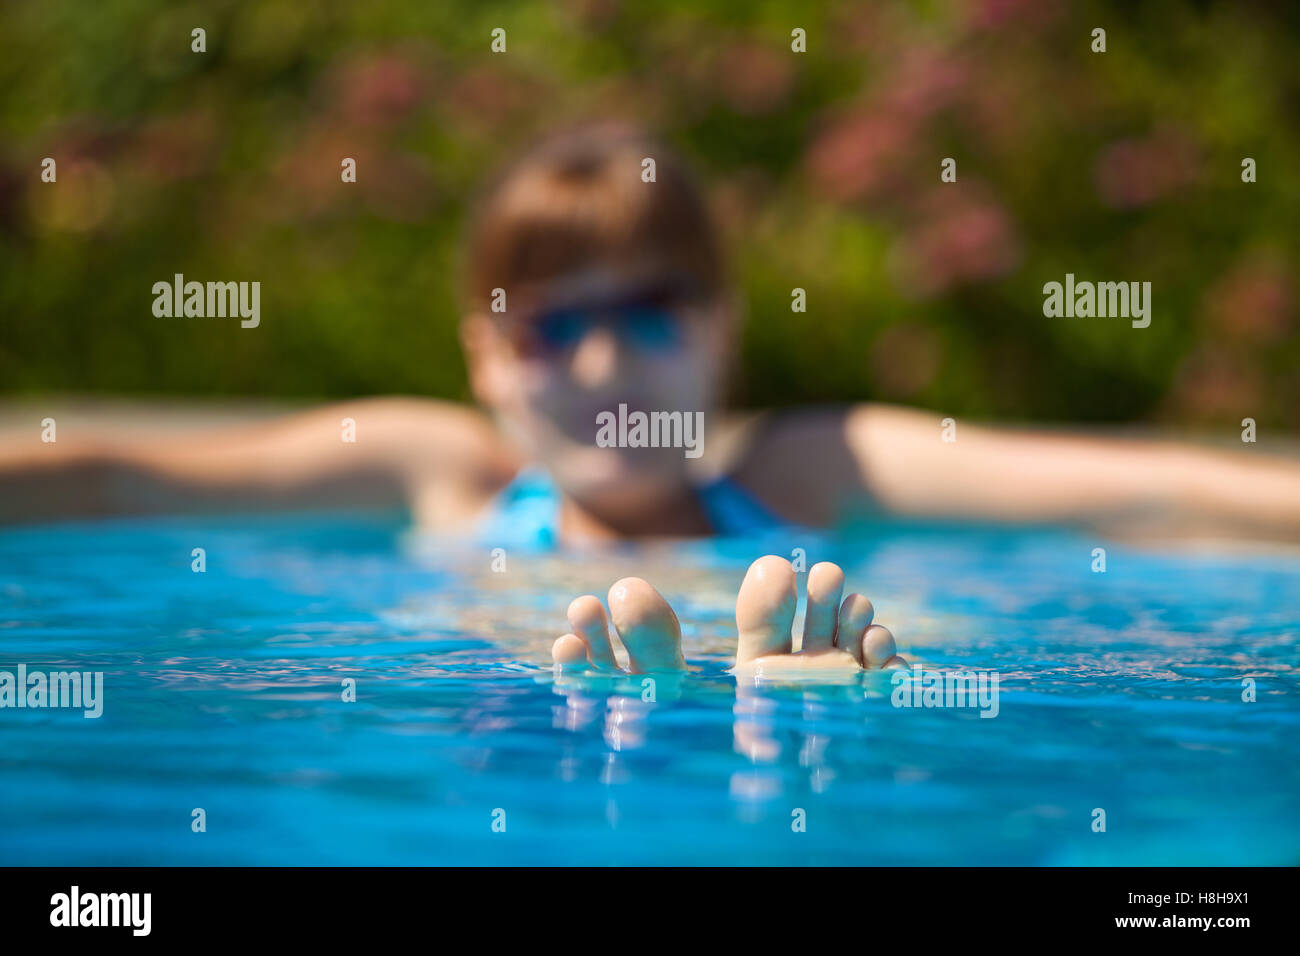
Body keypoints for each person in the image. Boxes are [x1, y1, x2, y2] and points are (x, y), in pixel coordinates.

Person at [3, 122, 1297, 670]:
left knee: (901, 649)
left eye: (649, 313)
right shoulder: (438, 473)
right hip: (507, 750)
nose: (608, 368)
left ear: (723, 328)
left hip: (763, 732)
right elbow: (117, 480)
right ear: (482, 357)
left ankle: (789, 713)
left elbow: (1147, 490)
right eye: (551, 326)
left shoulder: (807, 473)